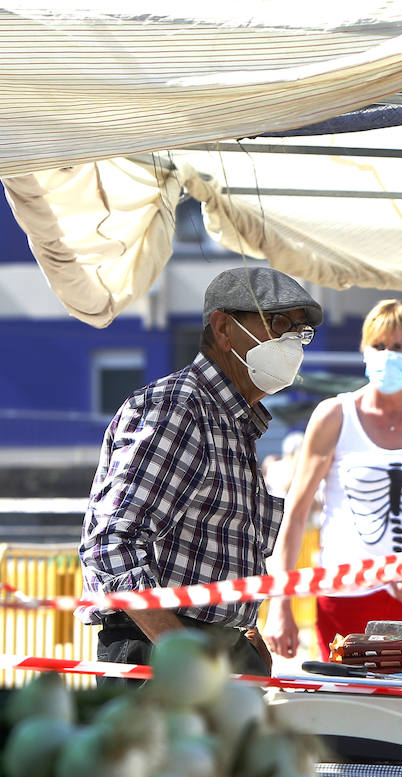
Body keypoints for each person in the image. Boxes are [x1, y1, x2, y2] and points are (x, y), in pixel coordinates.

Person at [80, 266, 322, 676]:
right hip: (161, 652)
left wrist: (243, 632)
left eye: (300, 331)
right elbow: (110, 544)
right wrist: (182, 649)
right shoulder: (178, 408)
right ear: (224, 329)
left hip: (210, 649)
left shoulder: (234, 420)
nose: (291, 341)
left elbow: (213, 544)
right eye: (279, 324)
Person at [263, 299, 402, 661]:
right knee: (347, 709)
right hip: (344, 599)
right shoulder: (334, 415)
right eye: (379, 346)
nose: (389, 356)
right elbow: (294, 516)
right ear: (363, 350)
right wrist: (280, 607)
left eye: (400, 347)